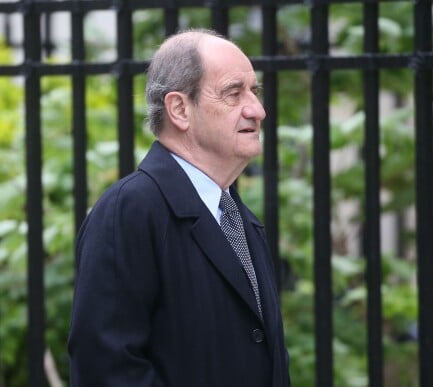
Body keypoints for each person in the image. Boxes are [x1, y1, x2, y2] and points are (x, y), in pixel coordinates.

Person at [68, 28, 291, 386]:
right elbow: (107, 370)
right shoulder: (129, 211)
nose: (258, 110)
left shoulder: (236, 216)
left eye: (255, 91)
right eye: (234, 93)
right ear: (179, 109)